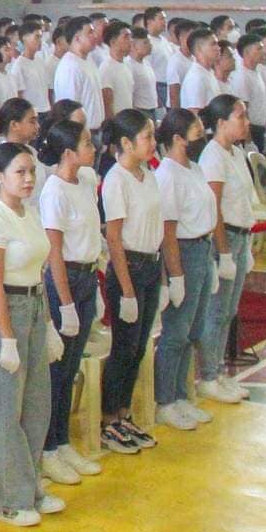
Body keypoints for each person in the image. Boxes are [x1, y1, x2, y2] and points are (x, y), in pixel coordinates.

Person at [0, 141, 58, 525]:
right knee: (7, 409)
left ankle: (31, 485)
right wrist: (7, 338)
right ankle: (5, 497)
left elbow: (40, 269)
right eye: (19, 172)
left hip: (35, 307)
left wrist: (51, 324)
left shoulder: (31, 213)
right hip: (7, 312)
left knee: (37, 405)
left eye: (31, 171)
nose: (28, 179)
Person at [34, 121, 102, 485]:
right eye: (87, 143)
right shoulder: (53, 191)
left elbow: (93, 233)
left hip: (88, 276)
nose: (94, 148)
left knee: (72, 365)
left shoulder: (87, 181)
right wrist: (65, 303)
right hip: (67, 280)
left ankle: (62, 441)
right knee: (56, 372)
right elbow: (55, 253)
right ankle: (48, 447)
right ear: (68, 153)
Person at [99, 110, 162, 455]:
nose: (153, 143)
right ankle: (109, 419)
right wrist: (125, 288)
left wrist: (163, 276)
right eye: (147, 137)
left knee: (140, 347)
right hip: (130, 268)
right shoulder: (116, 180)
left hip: (151, 265)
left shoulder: (148, 174)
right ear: (126, 143)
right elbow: (114, 237)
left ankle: (124, 413)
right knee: (123, 347)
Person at [152, 110, 215, 433]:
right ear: (177, 139)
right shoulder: (168, 175)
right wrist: (175, 276)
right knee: (176, 331)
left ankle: (181, 393)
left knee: (193, 328)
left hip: (202, 249)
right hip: (185, 253)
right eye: (196, 131)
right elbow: (169, 232)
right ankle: (165, 400)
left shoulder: (195, 168)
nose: (202, 136)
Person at [196, 95, 254, 407]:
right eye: (239, 116)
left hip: (241, 236)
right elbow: (214, 209)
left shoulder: (237, 152)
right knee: (216, 311)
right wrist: (225, 252)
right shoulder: (213, 156)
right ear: (221, 123)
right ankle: (208, 375)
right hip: (225, 239)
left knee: (229, 311)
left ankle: (218, 370)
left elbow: (243, 199)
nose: (246, 122)